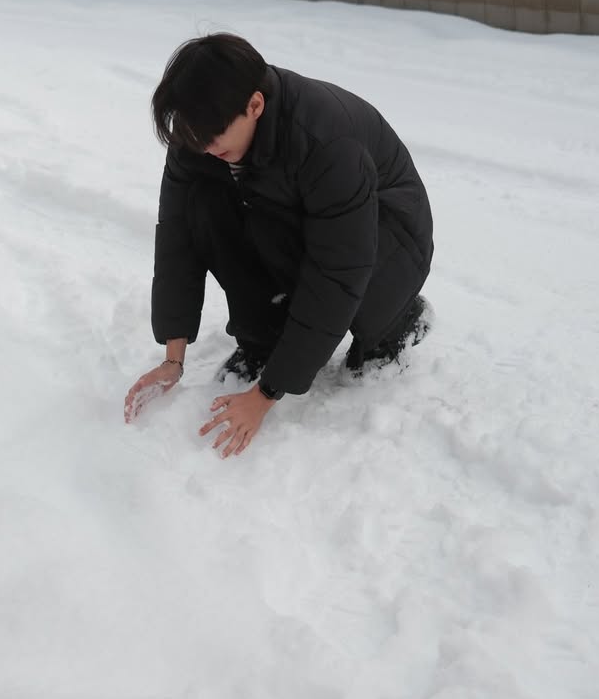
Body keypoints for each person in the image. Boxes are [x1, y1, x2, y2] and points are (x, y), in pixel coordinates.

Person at [123, 33, 434, 456]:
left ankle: (397, 323)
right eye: (196, 137)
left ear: (254, 105)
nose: (205, 147)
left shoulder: (326, 141)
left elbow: (339, 269)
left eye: (214, 136)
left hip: (389, 235)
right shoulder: (200, 132)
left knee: (345, 275)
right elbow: (177, 234)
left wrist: (266, 394)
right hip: (296, 219)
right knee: (205, 205)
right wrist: (172, 359)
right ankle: (263, 338)